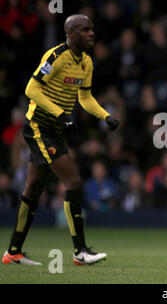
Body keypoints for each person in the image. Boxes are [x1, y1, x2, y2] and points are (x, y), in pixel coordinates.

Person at [2, 14, 120, 266]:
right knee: (74, 182)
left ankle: (13, 252)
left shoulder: (86, 62)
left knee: (33, 188)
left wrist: (105, 116)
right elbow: (31, 89)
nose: (91, 34)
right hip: (39, 127)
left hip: (55, 128)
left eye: (92, 29)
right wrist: (59, 113)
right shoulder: (55, 57)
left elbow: (85, 98)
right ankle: (80, 252)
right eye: (85, 30)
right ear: (70, 33)